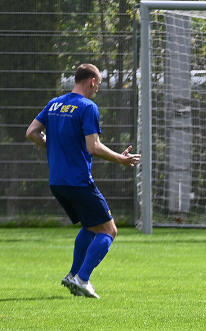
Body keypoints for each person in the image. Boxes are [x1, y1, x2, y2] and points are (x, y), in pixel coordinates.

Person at [26, 63, 142, 298]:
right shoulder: (88, 107)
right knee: (109, 230)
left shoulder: (54, 103)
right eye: (98, 83)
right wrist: (120, 159)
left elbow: (31, 132)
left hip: (57, 182)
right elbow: (94, 146)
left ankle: (72, 275)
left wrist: (54, 146)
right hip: (78, 180)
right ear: (91, 81)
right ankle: (82, 278)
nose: (98, 88)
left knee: (91, 226)